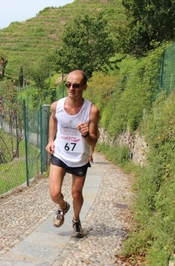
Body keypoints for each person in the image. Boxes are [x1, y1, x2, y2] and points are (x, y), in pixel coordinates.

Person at [45, 70, 100, 238]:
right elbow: (54, 118)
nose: (71, 88)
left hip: (79, 158)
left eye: (76, 86)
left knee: (76, 194)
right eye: (68, 84)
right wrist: (51, 140)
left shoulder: (91, 111)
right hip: (60, 154)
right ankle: (63, 207)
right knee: (54, 193)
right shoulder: (57, 106)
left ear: (84, 87)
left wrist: (85, 135)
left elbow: (93, 141)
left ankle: (76, 220)